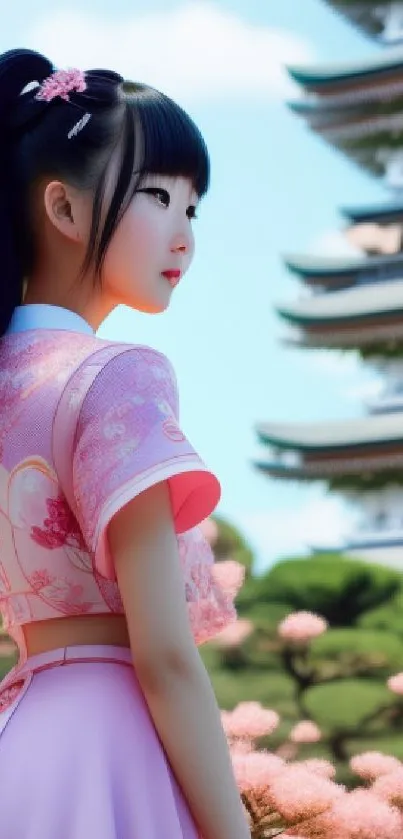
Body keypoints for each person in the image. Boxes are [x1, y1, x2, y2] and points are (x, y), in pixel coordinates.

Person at [0, 48, 251, 839]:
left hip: (20, 742)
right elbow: (166, 658)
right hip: (114, 745)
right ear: (65, 211)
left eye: (192, 208)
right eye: (156, 196)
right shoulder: (116, 377)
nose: (182, 234)